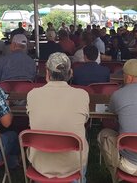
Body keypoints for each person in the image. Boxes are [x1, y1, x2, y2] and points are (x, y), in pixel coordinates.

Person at [26, 52, 89, 180]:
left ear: (47, 73)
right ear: (70, 73)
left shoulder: (32, 95)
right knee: (84, 136)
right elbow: (85, 120)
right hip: (73, 164)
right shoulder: (82, 95)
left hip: (40, 163)